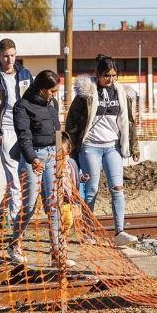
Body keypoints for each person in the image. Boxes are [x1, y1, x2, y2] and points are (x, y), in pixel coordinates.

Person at [65, 54, 140, 246]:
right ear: (97, 74)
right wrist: (68, 150)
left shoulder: (122, 93)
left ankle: (120, 231)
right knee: (92, 190)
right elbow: (72, 122)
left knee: (118, 188)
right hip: (90, 147)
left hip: (112, 146)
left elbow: (129, 122)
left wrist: (133, 146)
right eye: (107, 75)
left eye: (114, 75)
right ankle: (87, 231)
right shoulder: (86, 94)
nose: (111, 79)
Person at [8, 70, 74, 267]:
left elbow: (57, 130)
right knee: (28, 204)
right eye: (52, 91)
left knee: (53, 205)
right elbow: (24, 135)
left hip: (53, 156)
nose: (55, 94)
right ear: (42, 89)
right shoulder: (23, 106)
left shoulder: (52, 104)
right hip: (33, 158)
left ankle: (57, 254)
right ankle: (14, 243)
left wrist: (60, 156)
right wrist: (32, 158)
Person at [0, 38, 33, 225]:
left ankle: (8, 208)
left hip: (25, 129)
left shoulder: (26, 74)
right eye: (5, 56)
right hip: (7, 130)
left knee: (26, 175)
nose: (9, 60)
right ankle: (15, 218)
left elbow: (34, 102)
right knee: (13, 176)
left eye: (12, 55)